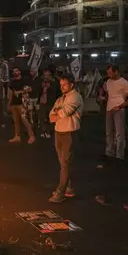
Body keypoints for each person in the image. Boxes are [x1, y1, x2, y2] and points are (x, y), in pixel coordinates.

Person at [49, 74, 83, 203]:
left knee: (65, 164)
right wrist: (57, 113)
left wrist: (58, 112)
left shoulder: (75, 97)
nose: (62, 87)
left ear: (71, 85)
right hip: (59, 131)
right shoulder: (61, 99)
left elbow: (64, 113)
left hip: (69, 132)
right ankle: (69, 187)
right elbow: (51, 115)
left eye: (65, 85)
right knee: (63, 163)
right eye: (61, 85)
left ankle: (60, 192)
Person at [103, 64, 128, 162]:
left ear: (116, 72)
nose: (108, 75)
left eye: (110, 73)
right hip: (109, 109)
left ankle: (119, 155)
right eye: (107, 73)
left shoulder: (124, 83)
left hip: (119, 110)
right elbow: (109, 95)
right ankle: (109, 152)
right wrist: (104, 99)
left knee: (119, 133)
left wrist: (121, 106)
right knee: (109, 132)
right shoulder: (108, 81)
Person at [8, 67, 35, 144]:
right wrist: (9, 103)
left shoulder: (24, 80)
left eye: (16, 71)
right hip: (14, 103)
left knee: (24, 120)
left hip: (22, 103)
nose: (15, 72)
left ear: (20, 72)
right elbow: (10, 93)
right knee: (16, 121)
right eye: (14, 71)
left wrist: (19, 92)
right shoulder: (12, 81)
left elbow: (30, 89)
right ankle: (17, 136)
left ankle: (32, 136)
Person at [38, 69, 59, 139]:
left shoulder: (54, 83)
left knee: (50, 118)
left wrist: (49, 87)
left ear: (50, 76)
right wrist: (41, 87)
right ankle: (42, 132)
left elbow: (56, 93)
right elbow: (38, 92)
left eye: (48, 75)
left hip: (51, 103)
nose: (46, 77)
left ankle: (48, 132)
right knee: (42, 118)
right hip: (42, 102)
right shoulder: (41, 83)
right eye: (45, 75)